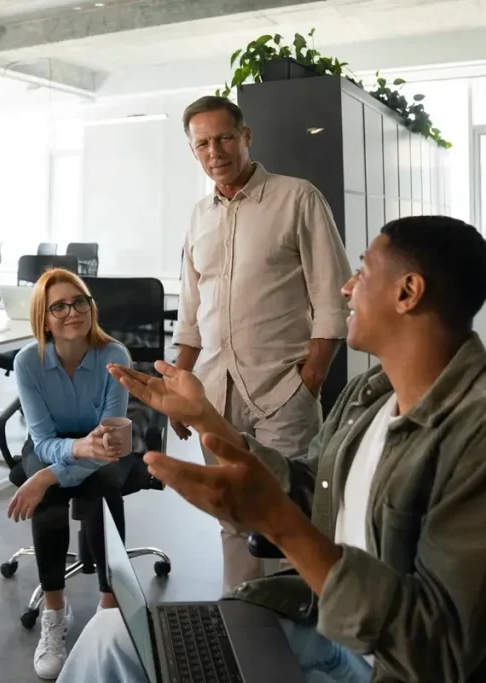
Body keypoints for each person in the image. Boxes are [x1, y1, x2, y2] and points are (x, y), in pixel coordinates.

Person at [60, 216, 486, 683]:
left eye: (363, 272)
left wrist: (279, 522)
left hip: (385, 666)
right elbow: (312, 488)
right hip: (322, 623)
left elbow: (436, 655)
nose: (347, 288)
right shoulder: (369, 396)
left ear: (408, 292)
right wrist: (208, 420)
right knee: (112, 636)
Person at [175, 95, 353, 591]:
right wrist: (179, 388)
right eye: (204, 143)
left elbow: (332, 302)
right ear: (194, 151)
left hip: (283, 395)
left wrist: (309, 382)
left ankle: (298, 640)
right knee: (231, 514)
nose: (216, 151)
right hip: (215, 396)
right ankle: (242, 617)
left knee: (290, 522)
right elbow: (190, 314)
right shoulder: (197, 217)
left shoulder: (298, 198)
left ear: (246, 136)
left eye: (225, 137)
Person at [6, 268, 133, 680]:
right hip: (56, 444)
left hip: (104, 447)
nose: (72, 312)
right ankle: (55, 613)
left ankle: (110, 608)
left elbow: (110, 439)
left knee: (100, 490)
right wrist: (71, 454)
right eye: (58, 306)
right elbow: (42, 442)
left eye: (80, 302)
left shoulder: (115, 356)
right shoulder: (28, 362)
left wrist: (45, 477)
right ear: (43, 318)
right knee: (49, 500)